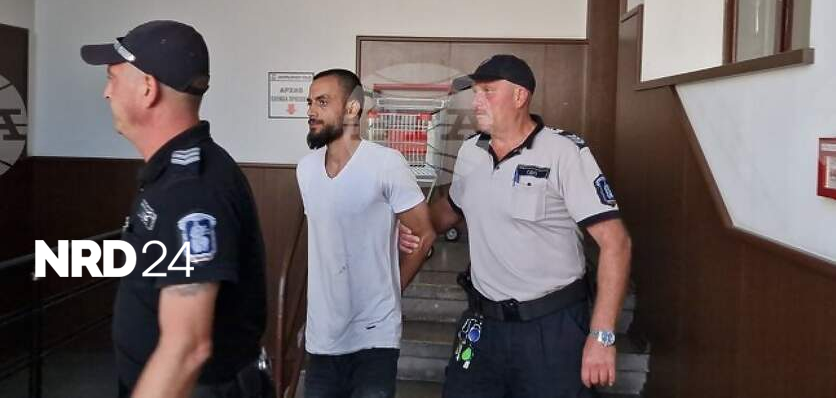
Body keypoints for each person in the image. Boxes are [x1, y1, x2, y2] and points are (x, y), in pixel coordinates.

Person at [401, 54, 632, 398]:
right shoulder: (471, 152)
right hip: (484, 323)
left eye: (488, 91)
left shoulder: (564, 152)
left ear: (520, 96)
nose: (476, 102)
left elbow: (617, 243)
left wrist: (601, 336)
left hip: (551, 327)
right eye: (475, 92)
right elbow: (449, 209)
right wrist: (412, 226)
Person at [81, 20, 272, 398]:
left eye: (112, 78)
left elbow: (187, 348)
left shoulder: (191, 190)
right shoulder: (171, 174)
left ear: (147, 88)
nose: (106, 93)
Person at [295, 69, 437, 398]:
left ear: (352, 108)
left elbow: (424, 233)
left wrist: (393, 290)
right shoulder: (305, 169)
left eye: (322, 102)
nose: (311, 111)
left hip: (375, 335)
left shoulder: (386, 163)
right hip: (323, 335)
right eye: (310, 103)